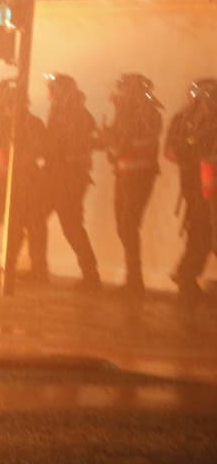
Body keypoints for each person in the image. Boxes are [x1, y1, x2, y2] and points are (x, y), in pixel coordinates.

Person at [0, 79, 48, 283]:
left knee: (14, 229)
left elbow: (39, 151)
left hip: (21, 187)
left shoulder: (33, 125)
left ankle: (10, 266)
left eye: (13, 104)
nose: (10, 108)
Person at [100, 73, 163, 298]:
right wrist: (108, 139)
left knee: (128, 225)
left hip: (140, 177)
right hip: (124, 175)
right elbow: (117, 144)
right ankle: (133, 279)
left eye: (125, 89)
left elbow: (132, 139)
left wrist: (117, 137)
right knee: (123, 226)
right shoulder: (124, 112)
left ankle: (135, 282)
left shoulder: (149, 114)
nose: (120, 93)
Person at [41, 73, 102, 292]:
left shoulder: (75, 114)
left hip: (69, 178)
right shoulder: (62, 111)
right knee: (38, 219)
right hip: (58, 176)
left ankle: (91, 276)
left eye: (52, 89)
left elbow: (64, 145)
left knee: (71, 227)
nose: (48, 94)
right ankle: (38, 268)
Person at [163, 78, 217, 304]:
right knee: (202, 232)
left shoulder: (182, 118)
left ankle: (186, 276)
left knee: (200, 231)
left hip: (194, 185)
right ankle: (186, 276)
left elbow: (171, 153)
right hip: (203, 186)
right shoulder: (187, 119)